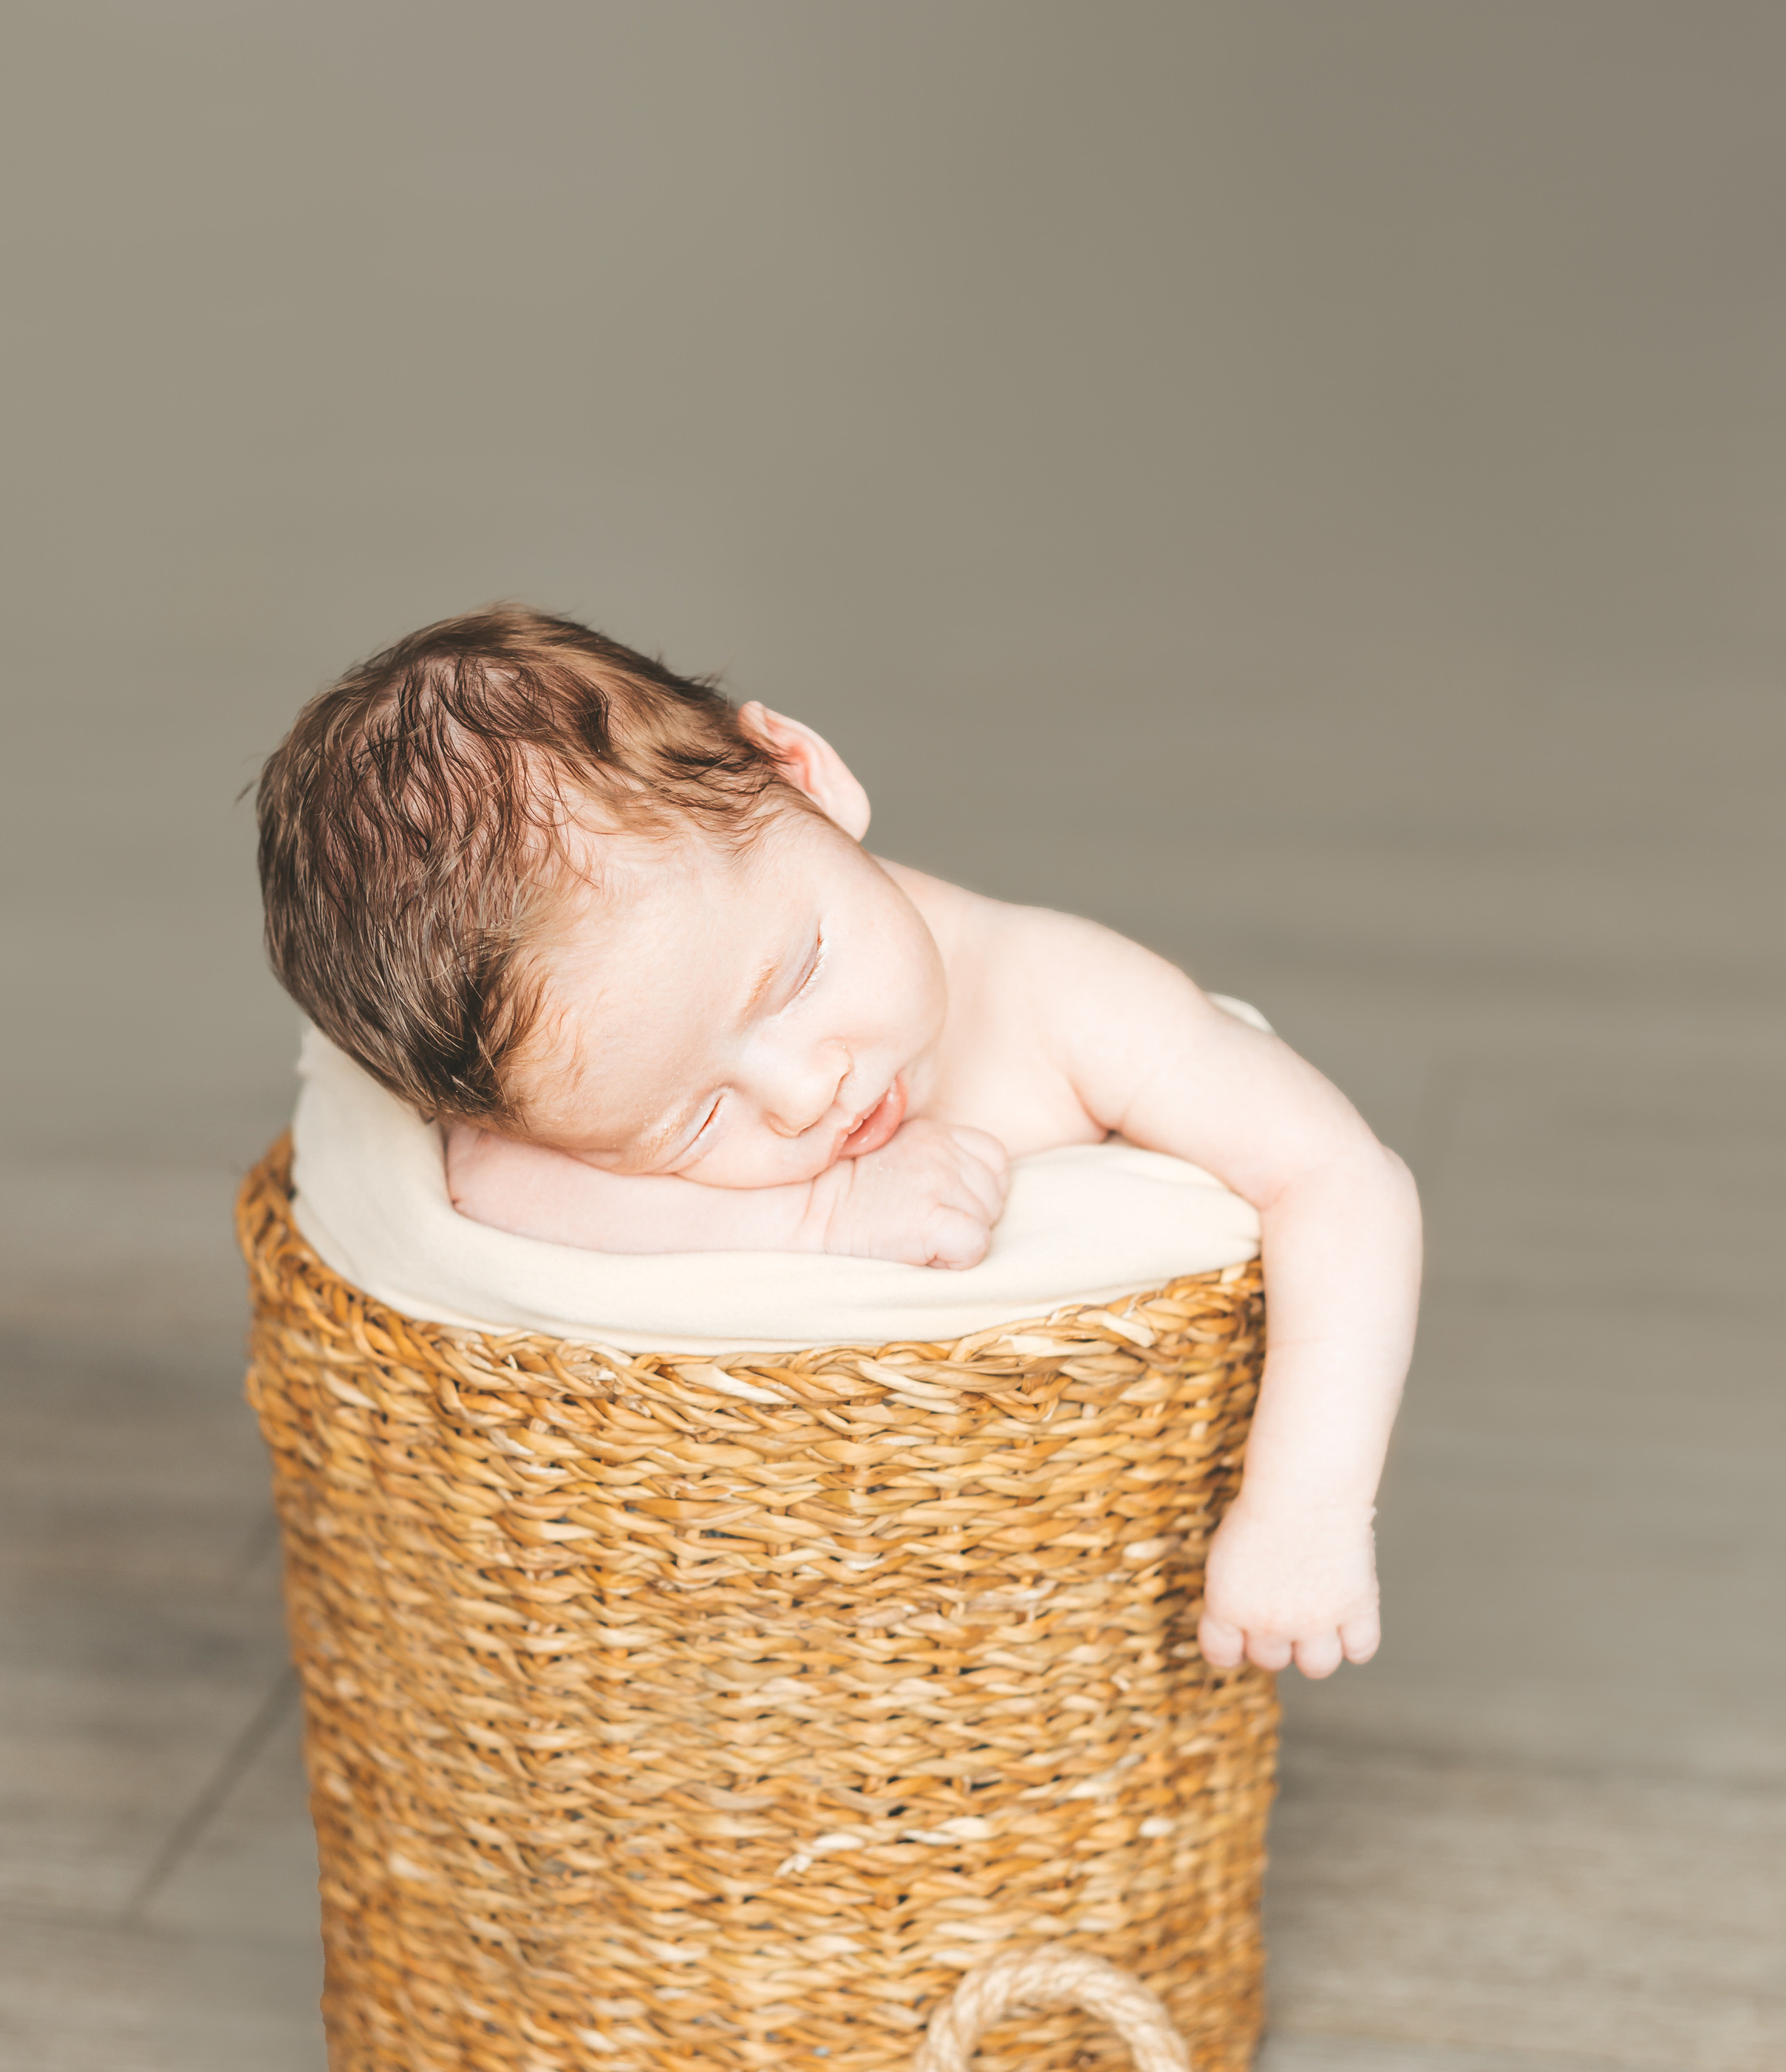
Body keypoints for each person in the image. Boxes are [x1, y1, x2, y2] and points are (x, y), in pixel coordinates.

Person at [257, 605, 1422, 1681]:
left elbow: (1340, 1177)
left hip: (1042, 1612)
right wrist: (814, 1218)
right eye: (690, 1119)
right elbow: (487, 1187)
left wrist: (1306, 1508)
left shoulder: (1059, 997)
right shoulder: (549, 1118)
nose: (803, 1092)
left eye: (800, 975)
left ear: (805, 778)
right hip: (729, 1642)